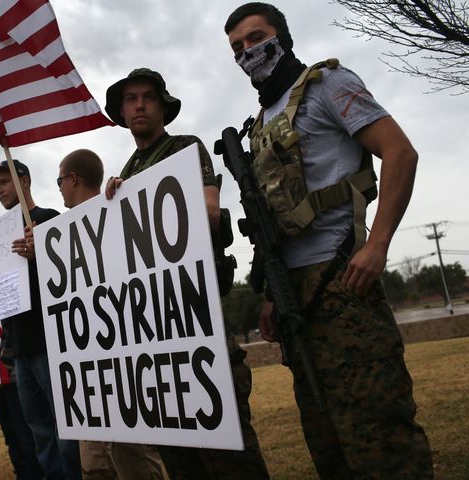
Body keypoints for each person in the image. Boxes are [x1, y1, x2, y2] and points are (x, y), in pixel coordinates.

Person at [224, 3, 433, 479]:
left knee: (380, 440)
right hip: (293, 296)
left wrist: (377, 245)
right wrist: (271, 297)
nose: (247, 52)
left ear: (284, 37)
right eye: (237, 47)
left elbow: (400, 152)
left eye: (256, 38)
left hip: (343, 280)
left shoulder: (327, 86)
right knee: (327, 440)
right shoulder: (258, 124)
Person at [104, 68, 269, 480]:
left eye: (148, 97)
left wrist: (138, 211)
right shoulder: (125, 172)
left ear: (162, 106)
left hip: (195, 317)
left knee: (229, 456)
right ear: (122, 112)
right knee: (179, 460)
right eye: (130, 99)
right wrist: (113, 208)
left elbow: (210, 211)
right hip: (152, 334)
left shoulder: (184, 149)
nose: (139, 105)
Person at [53, 148, 169, 480]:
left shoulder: (120, 207)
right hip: (87, 369)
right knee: (94, 466)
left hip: (126, 364)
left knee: (133, 458)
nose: (59, 187)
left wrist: (126, 196)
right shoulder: (60, 238)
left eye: (60, 180)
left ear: (72, 178)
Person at [0, 159, 82, 480]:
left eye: (4, 182)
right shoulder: (0, 239)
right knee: (39, 431)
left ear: (24, 181)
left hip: (54, 344)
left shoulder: (50, 219)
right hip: (21, 351)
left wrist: (44, 253)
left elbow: (76, 269)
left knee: (65, 428)